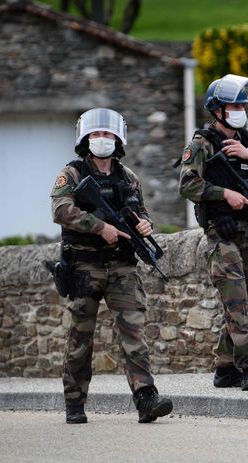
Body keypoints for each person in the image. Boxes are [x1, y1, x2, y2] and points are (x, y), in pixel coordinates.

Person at [50, 108, 173, 424]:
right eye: (95, 134)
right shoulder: (72, 173)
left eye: (107, 134)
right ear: (85, 139)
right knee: (81, 338)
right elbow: (61, 210)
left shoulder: (128, 177)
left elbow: (141, 211)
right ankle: (75, 403)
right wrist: (99, 227)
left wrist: (145, 225)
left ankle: (147, 398)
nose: (101, 139)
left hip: (122, 267)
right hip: (84, 267)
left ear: (117, 139)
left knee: (135, 336)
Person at [178, 74, 248, 391]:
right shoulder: (201, 144)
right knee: (237, 301)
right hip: (220, 234)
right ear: (217, 110)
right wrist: (224, 196)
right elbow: (187, 184)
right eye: (233, 105)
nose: (240, 109)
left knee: (245, 302)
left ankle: (225, 367)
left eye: (243, 104)